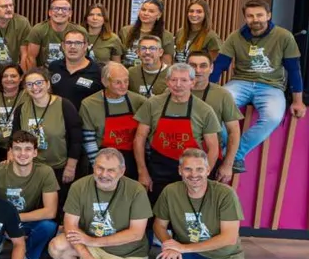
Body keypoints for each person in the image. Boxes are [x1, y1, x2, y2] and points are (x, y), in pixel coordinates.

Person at [48, 149, 152, 259]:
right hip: (90, 245)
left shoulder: (136, 190)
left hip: (126, 253)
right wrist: (85, 255)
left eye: (111, 170)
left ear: (122, 171)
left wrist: (93, 241)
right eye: (100, 168)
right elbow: (70, 225)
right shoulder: (79, 186)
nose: (104, 174)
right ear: (94, 166)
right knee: (57, 246)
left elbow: (136, 233)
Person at [211, 0, 305, 171]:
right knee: (214, 105)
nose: (255, 19)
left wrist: (298, 101)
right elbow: (220, 65)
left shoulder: (284, 36)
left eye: (260, 15)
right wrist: (207, 90)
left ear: (268, 15)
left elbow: (293, 69)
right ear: (245, 18)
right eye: (250, 16)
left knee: (273, 117)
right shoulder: (235, 36)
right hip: (240, 82)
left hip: (271, 86)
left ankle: (234, 153)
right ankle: (232, 152)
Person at [153, 148, 244, 259]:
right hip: (190, 253)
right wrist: (169, 244)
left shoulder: (225, 194)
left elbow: (229, 237)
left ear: (208, 170)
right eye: (188, 169)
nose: (194, 174)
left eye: (199, 169)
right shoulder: (170, 191)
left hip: (224, 257)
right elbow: (159, 225)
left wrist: (182, 248)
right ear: (180, 170)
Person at [133, 64, 222, 202]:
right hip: (158, 171)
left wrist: (202, 177)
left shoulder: (204, 110)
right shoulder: (153, 104)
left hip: (191, 172)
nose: (178, 85)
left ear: (192, 82)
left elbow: (213, 148)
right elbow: (139, 139)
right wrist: (142, 172)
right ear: (167, 82)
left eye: (184, 80)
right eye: (173, 80)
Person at [0, 131, 59, 259]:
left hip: (25, 220)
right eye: (17, 149)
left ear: (35, 152)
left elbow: (50, 211)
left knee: (48, 226)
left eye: (28, 149)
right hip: (0, 221)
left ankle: (26, 256)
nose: (23, 154)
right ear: (10, 151)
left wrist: (13, 219)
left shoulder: (45, 172)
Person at [12, 68, 84, 189]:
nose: (35, 87)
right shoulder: (21, 109)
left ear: (48, 84)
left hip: (59, 168)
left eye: (39, 83)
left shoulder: (65, 105)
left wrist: (71, 167)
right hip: (31, 168)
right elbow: (15, 138)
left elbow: (76, 139)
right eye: (29, 84)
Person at [79, 63, 147, 179]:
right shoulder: (89, 104)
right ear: (105, 82)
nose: (123, 86)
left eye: (126, 81)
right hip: (103, 159)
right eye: (118, 82)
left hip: (132, 159)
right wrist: (99, 167)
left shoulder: (139, 101)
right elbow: (88, 139)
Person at [188, 52, 241, 184]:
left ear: (211, 68)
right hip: (174, 155)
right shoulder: (173, 91)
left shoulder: (222, 95)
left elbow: (234, 131)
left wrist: (228, 164)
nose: (198, 70)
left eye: (203, 66)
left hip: (208, 157)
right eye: (193, 66)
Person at [47, 30, 103, 110]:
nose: (72, 46)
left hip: (84, 117)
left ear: (85, 46)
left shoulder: (97, 71)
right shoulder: (54, 67)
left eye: (78, 43)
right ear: (63, 46)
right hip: (57, 116)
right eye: (68, 42)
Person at [25, 0, 86, 69]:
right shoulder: (38, 30)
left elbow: (84, 58)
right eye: (56, 9)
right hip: (45, 73)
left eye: (64, 9)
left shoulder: (80, 31)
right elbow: (30, 58)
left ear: (70, 13)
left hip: (71, 72)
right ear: (50, 12)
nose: (60, 12)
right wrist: (34, 75)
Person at [120, 0, 175, 67]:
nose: (145, 13)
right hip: (127, 70)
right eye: (143, 10)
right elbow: (118, 56)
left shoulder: (166, 36)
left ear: (159, 15)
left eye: (151, 11)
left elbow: (166, 63)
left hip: (153, 72)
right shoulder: (125, 31)